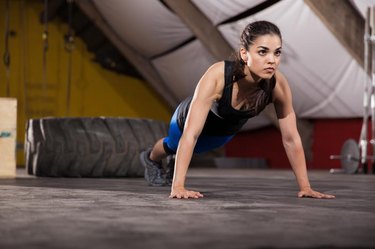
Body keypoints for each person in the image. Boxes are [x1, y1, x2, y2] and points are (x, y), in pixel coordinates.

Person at [140, 20, 335, 200]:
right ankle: (150, 157)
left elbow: (291, 138)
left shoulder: (278, 86)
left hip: (223, 133)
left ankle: (175, 161)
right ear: (244, 54)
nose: (272, 60)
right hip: (185, 120)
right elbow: (190, 134)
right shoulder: (218, 75)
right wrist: (178, 187)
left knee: (199, 148)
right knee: (174, 144)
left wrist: (305, 187)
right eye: (262, 52)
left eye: (277, 53)